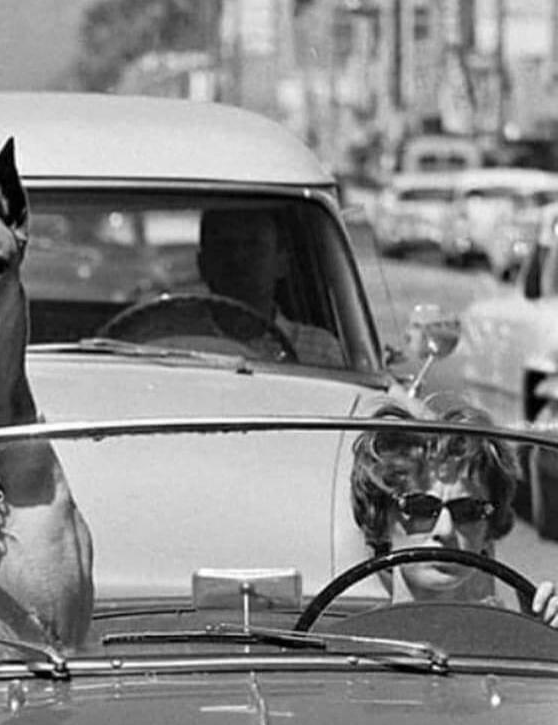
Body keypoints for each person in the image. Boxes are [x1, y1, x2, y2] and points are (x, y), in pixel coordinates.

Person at [350, 404, 558, 626]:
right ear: (381, 519)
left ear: (488, 529)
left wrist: (541, 639)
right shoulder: (349, 647)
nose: (445, 530)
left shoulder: (515, 638)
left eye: (468, 511)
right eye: (420, 508)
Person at [197, 207, 345, 367]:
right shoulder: (176, 340)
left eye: (253, 245)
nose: (237, 258)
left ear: (281, 262)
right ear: (202, 264)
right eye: (224, 246)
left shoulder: (321, 350)